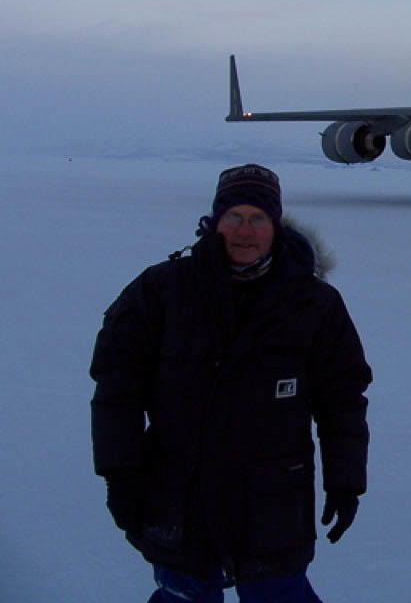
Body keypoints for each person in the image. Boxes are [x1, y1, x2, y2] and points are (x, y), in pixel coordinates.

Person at [90, 164, 372, 602]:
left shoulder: (313, 304)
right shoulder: (161, 292)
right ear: (213, 222)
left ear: (275, 226)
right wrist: (120, 475)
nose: (245, 231)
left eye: (258, 218)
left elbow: (342, 399)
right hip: (181, 494)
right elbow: (116, 392)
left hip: (273, 499)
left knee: (279, 593)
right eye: (234, 218)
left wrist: (346, 478)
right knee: (185, 593)